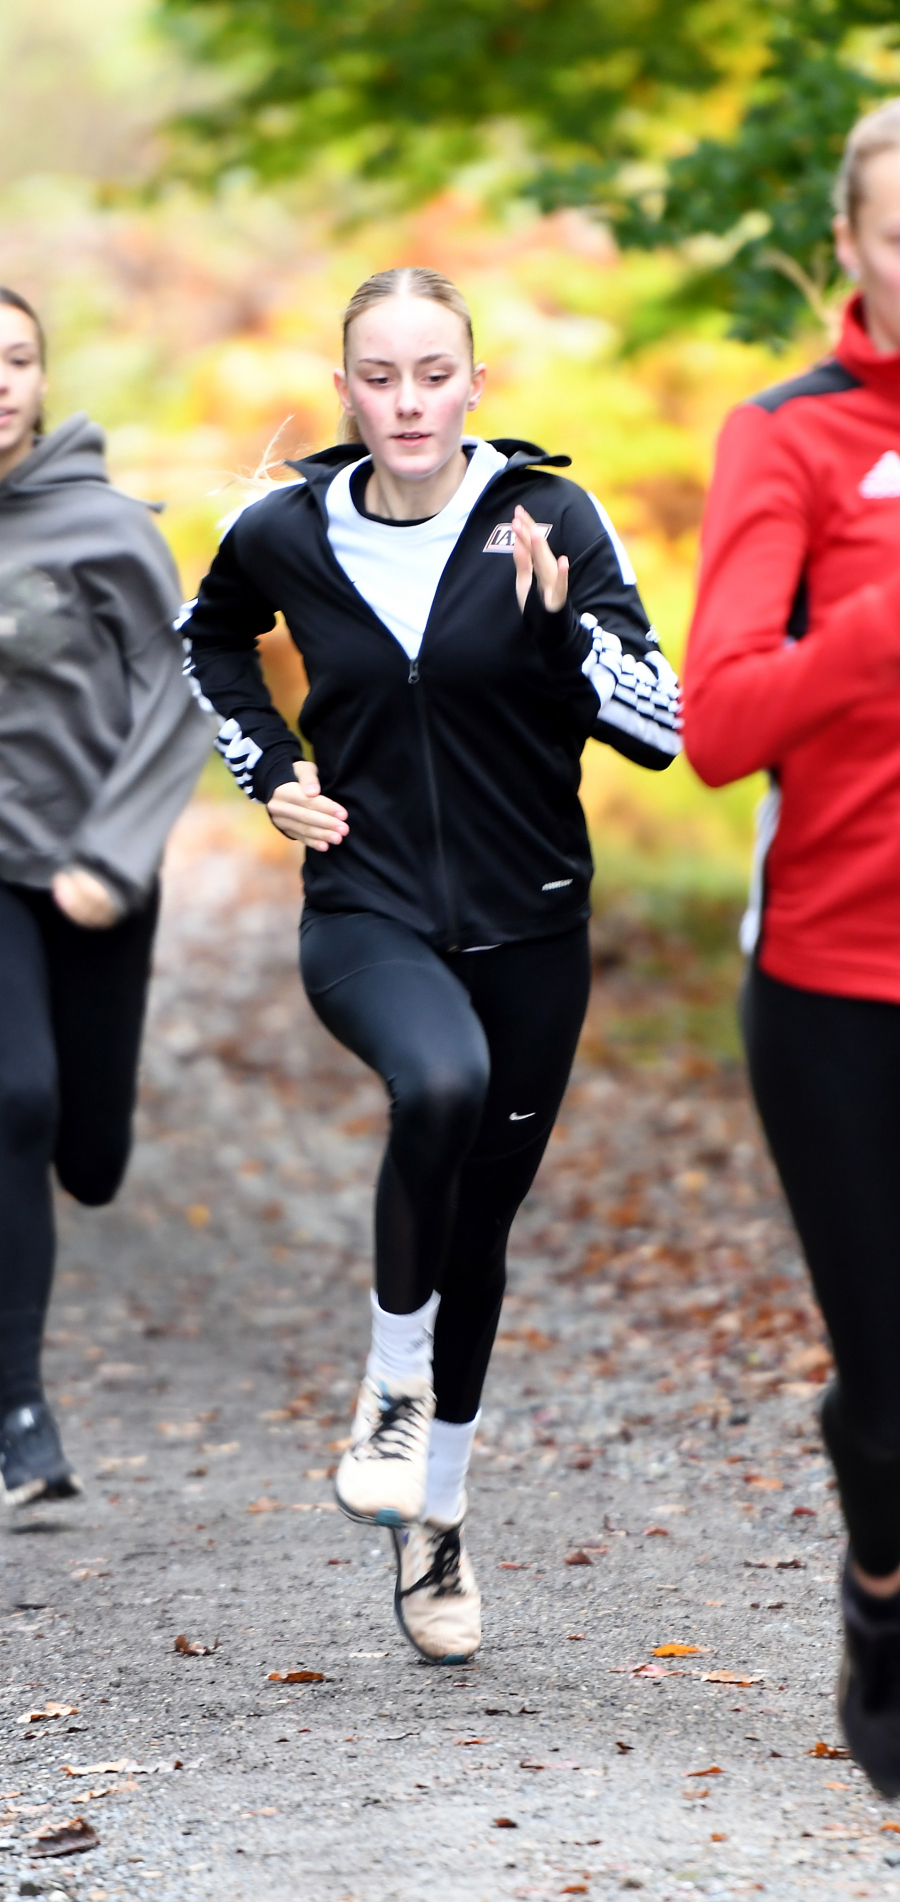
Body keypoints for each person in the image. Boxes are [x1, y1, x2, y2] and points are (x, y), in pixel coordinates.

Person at [185, 265, 680, 1663]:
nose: (408, 400)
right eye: (380, 375)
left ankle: (437, 1517)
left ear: (476, 384)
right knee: (438, 1082)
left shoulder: (550, 518)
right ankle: (390, 1389)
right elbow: (206, 641)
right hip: (368, 908)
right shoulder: (283, 529)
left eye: (432, 374)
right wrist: (270, 770)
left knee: (482, 1225)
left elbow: (665, 726)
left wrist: (563, 637)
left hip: (532, 925)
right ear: (346, 388)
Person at [683, 98, 900, 1794]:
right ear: (849, 246)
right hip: (839, 976)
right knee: (892, 1384)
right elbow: (724, 719)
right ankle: (885, 1599)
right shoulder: (791, 437)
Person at [0, 288, 212, 1507]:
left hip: (92, 873)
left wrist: (114, 857)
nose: (2, 379)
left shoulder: (105, 528)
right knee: (12, 1102)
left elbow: (178, 691)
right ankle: (18, 1411)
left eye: (20, 359)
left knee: (87, 1154)